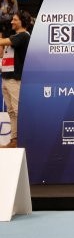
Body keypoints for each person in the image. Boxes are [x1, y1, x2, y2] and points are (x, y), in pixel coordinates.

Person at [0, 11, 32, 149]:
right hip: (6, 78)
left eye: (15, 19)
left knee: (18, 111)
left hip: (15, 79)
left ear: (22, 22)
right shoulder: (15, 36)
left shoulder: (24, 36)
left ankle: (22, 140)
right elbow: (2, 51)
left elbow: (3, 42)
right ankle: (14, 140)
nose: (12, 22)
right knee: (11, 112)